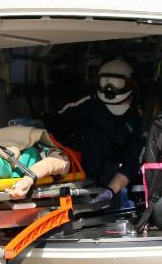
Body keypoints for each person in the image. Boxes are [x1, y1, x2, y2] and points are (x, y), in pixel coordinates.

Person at [42, 57, 145, 207]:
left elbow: (132, 161)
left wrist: (111, 190)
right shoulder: (90, 106)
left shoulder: (138, 118)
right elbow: (59, 123)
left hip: (116, 176)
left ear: (131, 85)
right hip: (85, 168)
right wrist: (38, 126)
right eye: (105, 83)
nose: (110, 88)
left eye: (117, 83)